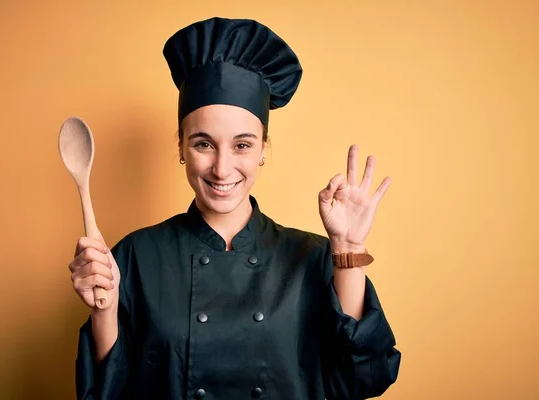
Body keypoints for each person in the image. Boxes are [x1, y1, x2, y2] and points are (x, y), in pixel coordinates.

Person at [71, 17, 401, 400]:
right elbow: (107, 392)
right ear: (180, 147)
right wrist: (104, 310)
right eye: (203, 144)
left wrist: (348, 249)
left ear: (263, 149)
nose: (222, 168)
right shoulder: (135, 257)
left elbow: (363, 379)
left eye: (242, 145)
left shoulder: (313, 257)